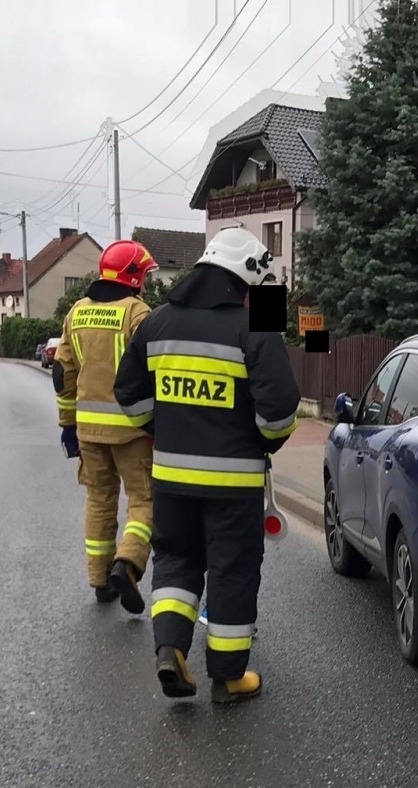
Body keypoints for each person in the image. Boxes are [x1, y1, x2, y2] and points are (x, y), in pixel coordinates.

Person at [112, 227, 300, 704]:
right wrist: (263, 441)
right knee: (232, 570)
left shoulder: (155, 324)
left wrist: (164, 428)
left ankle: (171, 649)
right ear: (244, 277)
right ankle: (228, 678)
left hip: (171, 480)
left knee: (176, 560)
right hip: (232, 486)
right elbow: (278, 414)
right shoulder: (252, 328)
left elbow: (129, 397)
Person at [53, 240, 160, 612]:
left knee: (99, 500)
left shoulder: (76, 313)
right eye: (144, 275)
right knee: (144, 500)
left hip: (88, 431)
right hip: (132, 431)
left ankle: (100, 580)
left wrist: (67, 424)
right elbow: (153, 372)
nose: (146, 282)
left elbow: (63, 373)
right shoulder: (137, 313)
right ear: (133, 276)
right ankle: (127, 563)